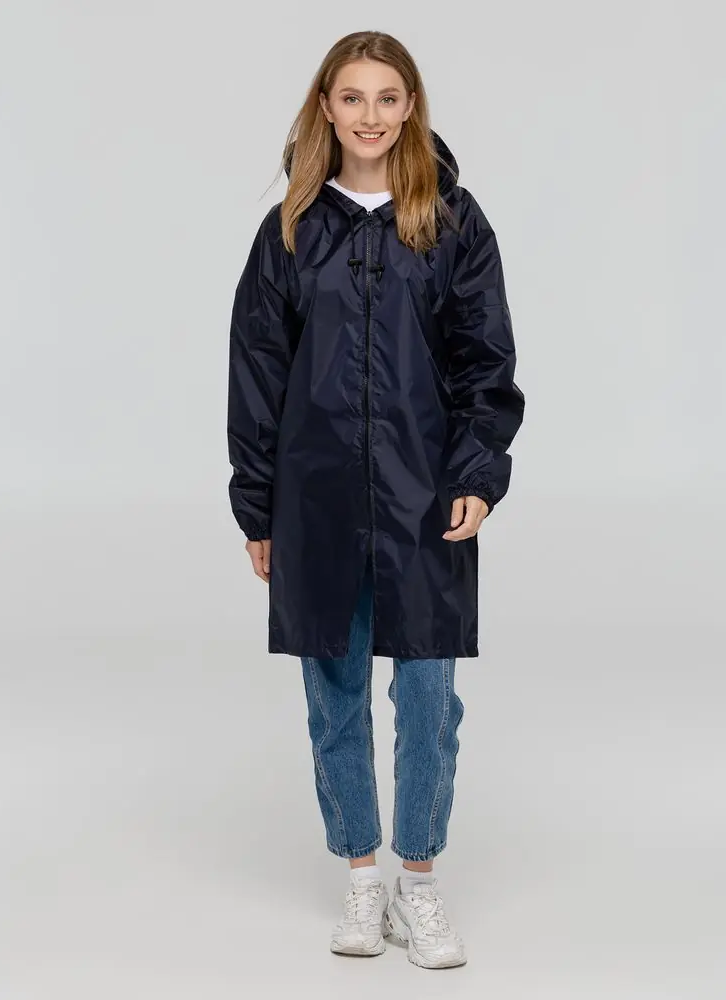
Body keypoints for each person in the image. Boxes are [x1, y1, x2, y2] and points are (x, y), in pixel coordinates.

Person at [226, 30, 525, 969]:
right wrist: (257, 504)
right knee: (336, 696)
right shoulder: (290, 230)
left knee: (429, 701)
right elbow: (257, 374)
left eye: (387, 98)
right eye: (352, 97)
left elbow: (485, 360)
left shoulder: (451, 222)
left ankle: (418, 882)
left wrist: (477, 473)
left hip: (422, 493)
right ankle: (362, 878)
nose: (370, 116)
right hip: (314, 498)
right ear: (326, 107)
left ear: (411, 107)